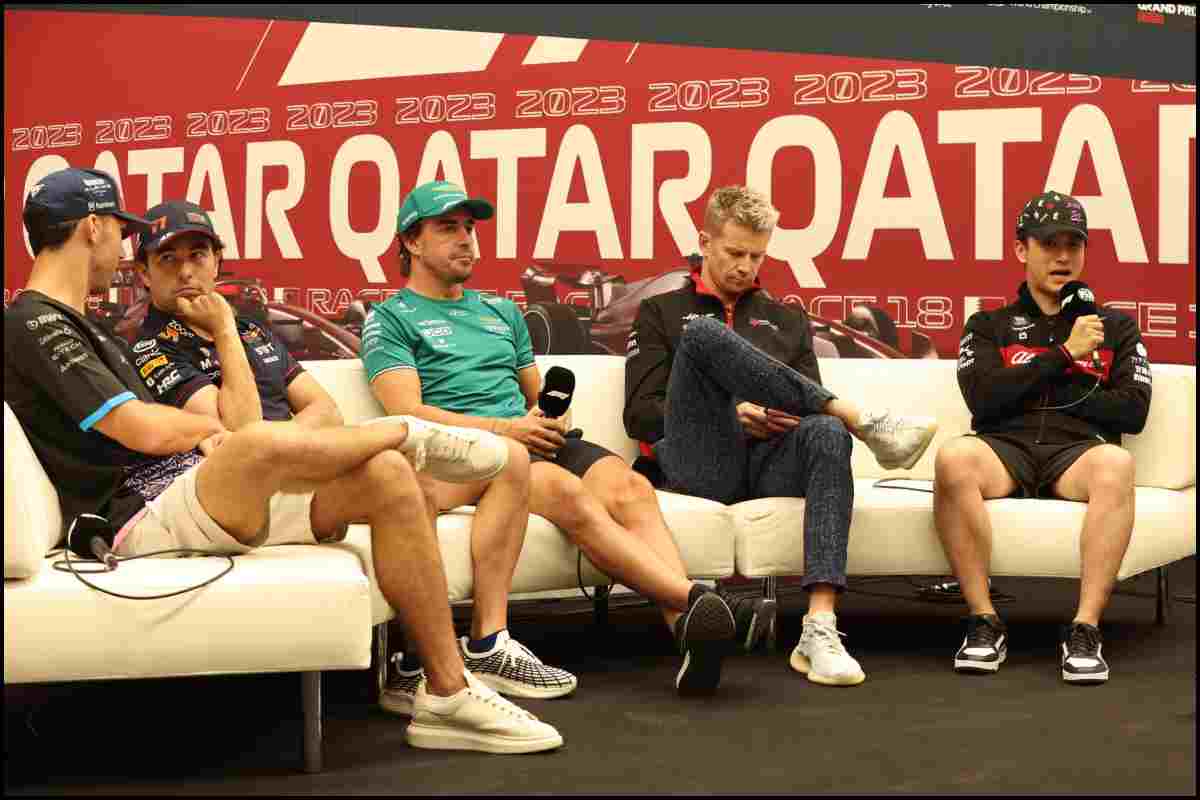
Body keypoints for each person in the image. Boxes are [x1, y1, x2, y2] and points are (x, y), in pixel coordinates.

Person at [4, 169, 562, 754]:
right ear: (94, 226)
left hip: (196, 489)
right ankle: (409, 431)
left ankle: (446, 693)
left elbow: (209, 425)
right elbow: (140, 427)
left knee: (389, 477)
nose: (123, 249)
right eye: (123, 231)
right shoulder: (35, 321)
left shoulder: (84, 325)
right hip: (135, 518)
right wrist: (211, 432)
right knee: (253, 440)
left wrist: (209, 436)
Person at [129, 199, 577, 714]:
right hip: (242, 496)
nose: (187, 271)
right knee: (403, 475)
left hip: (303, 472)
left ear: (217, 259)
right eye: (168, 259)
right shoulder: (151, 347)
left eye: (199, 254)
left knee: (499, 461)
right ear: (142, 272)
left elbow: (326, 410)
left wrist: (294, 447)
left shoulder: (256, 331)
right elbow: (246, 434)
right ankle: (415, 661)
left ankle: (483, 646)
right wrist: (225, 332)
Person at [362, 180, 765, 697]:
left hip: (529, 436)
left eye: (470, 227)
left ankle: (687, 632)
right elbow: (407, 411)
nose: (467, 239)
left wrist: (548, 415)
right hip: (463, 449)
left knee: (632, 489)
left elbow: (537, 391)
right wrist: (508, 430)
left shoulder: (502, 312)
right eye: (448, 228)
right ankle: (696, 602)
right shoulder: (391, 318)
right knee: (566, 492)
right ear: (411, 242)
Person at [624, 185, 939, 687]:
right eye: (734, 253)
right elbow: (641, 415)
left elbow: (803, 404)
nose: (746, 267)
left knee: (827, 431)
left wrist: (777, 415)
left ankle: (819, 626)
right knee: (703, 335)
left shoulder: (787, 319)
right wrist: (734, 413)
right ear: (705, 241)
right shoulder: (660, 312)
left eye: (757, 255)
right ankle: (864, 419)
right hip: (698, 462)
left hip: (768, 462)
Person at [934, 190, 1152, 684]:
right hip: (1004, 449)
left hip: (1076, 451)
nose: (1062, 256)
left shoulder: (1114, 327)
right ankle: (983, 620)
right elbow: (984, 400)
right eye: (1048, 243)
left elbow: (1132, 412)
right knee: (953, 459)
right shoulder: (987, 325)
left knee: (1117, 465)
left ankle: (1085, 630)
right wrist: (1063, 356)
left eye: (1073, 244)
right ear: (1021, 250)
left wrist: (1043, 385)